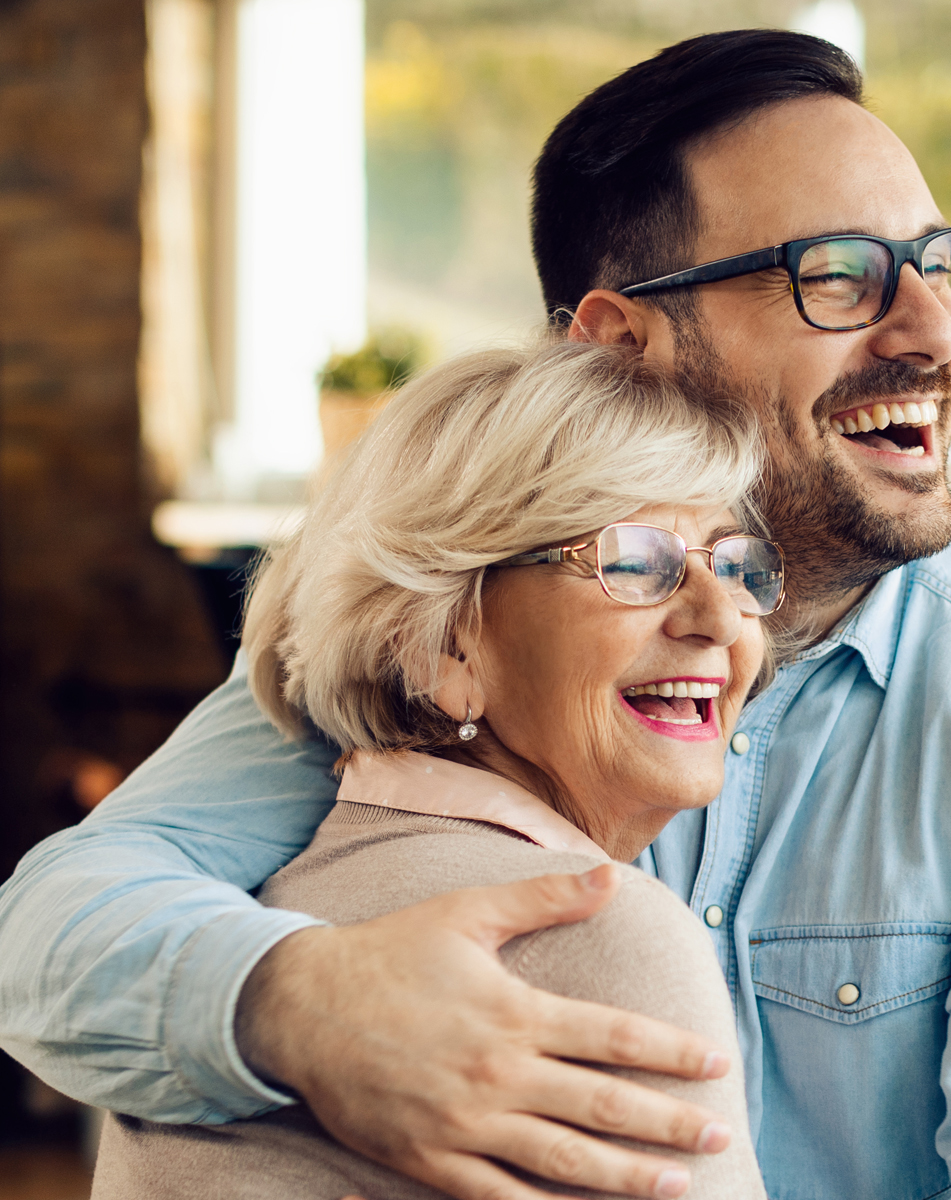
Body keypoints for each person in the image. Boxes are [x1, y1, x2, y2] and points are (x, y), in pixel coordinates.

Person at [0, 29, 951, 1200]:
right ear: (620, 344)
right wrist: (301, 1006)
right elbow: (38, 939)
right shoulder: (437, 646)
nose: (935, 331)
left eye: (943, 267)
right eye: (837, 277)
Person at [92, 340, 775, 1200]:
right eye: (635, 562)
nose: (720, 616)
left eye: (735, 563)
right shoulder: (601, 936)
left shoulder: (248, 915)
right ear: (440, 645)